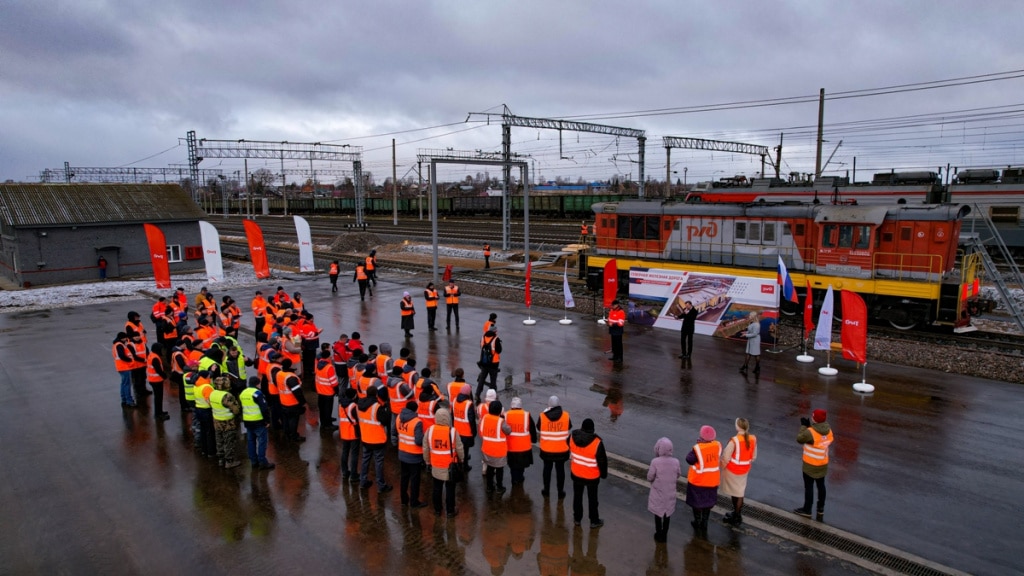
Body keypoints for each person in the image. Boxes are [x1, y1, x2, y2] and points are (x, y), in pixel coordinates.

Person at [424, 403, 464, 518]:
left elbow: (425, 448)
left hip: (435, 466)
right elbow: (459, 448)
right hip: (449, 467)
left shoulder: (430, 430)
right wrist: (461, 459)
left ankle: (437, 510)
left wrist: (427, 461)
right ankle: (450, 511)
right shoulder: (452, 432)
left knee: (437, 489)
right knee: (450, 490)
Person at [795, 409, 834, 521]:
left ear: (815, 419)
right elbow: (821, 439)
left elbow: (800, 438)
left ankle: (807, 510)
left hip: (810, 464)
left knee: (809, 487)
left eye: (813, 416)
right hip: (822, 463)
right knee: (821, 486)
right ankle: (820, 508)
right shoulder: (829, 431)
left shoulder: (810, 432)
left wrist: (803, 427)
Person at [569, 418, 607, 528]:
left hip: (576, 473)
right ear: (592, 429)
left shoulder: (573, 437)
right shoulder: (597, 443)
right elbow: (602, 461)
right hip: (592, 477)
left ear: (582, 427)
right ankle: (594, 520)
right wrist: (603, 474)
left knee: (577, 497)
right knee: (593, 499)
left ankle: (577, 518)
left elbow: (568, 446)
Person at [685, 425, 721, 534]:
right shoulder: (717, 445)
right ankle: (705, 522)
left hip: (698, 482)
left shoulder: (698, 449)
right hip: (712, 481)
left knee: (697, 503)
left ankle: (697, 521)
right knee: (708, 503)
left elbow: (689, 459)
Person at [722, 418, 757, 526]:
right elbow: (754, 456)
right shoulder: (753, 439)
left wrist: (722, 466)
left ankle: (735, 515)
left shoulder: (734, 440)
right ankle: (737, 514)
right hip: (744, 470)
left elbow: (726, 457)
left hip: (733, 470)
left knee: (734, 493)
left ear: (738, 427)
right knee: (740, 492)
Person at [647, 437, 683, 542]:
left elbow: (650, 476)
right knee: (667, 514)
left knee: (658, 514)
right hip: (670, 493)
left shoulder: (655, 462)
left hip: (658, 493)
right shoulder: (676, 462)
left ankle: (658, 533)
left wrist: (653, 482)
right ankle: (665, 533)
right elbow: (678, 474)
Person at [358, 386, 393, 493]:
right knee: (378, 462)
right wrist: (387, 407)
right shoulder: (377, 407)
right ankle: (381, 485)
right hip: (377, 439)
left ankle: (363, 481)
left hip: (365, 437)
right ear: (376, 395)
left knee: (365, 460)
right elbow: (386, 421)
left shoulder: (360, 405)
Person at [538, 395, 572, 499]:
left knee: (547, 470)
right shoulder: (566, 415)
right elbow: (569, 426)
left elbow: (538, 427)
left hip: (547, 450)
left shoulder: (542, 416)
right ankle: (560, 491)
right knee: (560, 471)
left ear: (548, 405)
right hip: (561, 450)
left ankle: (546, 490)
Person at [396, 400, 428, 508]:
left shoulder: (398, 418)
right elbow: (418, 441)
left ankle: (404, 500)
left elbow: (394, 432)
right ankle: (414, 501)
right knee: (415, 480)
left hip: (402, 452)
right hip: (414, 455)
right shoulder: (417, 422)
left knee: (404, 477)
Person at [239, 376, 275, 470]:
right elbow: (264, 408)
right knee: (262, 442)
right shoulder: (257, 393)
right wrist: (267, 421)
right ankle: (263, 461)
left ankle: (253, 461)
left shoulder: (243, 393)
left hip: (248, 421)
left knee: (251, 442)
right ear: (257, 384)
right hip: (258, 421)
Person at [209, 375, 242, 468]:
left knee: (219, 440)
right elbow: (236, 409)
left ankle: (221, 459)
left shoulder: (212, 393)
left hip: (216, 420)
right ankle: (229, 461)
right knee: (229, 441)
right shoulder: (227, 396)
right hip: (228, 422)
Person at [481, 400, 512, 495]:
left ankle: (489, 487)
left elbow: (482, 430)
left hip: (487, 449)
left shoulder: (485, 417)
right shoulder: (501, 421)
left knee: (490, 469)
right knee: (499, 470)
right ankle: (499, 487)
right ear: (499, 411)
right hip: (498, 451)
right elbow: (508, 431)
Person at [506, 397, 537, 485]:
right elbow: (532, 429)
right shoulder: (526, 415)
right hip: (524, 447)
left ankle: (514, 479)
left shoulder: (506, 414)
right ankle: (520, 477)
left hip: (511, 446)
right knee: (521, 465)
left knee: (512, 466)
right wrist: (534, 440)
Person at [451, 382, 477, 472]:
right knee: (465, 451)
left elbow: (452, 415)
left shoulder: (454, 401)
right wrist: (474, 432)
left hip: (457, 430)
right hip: (466, 432)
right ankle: (464, 466)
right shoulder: (468, 404)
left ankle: (458, 463)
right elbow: (471, 420)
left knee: (458, 448)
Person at [338, 388, 361, 483]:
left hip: (344, 432)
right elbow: (357, 418)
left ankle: (344, 472)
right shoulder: (353, 406)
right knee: (354, 454)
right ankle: (354, 474)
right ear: (353, 396)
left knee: (345, 452)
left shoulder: (341, 405)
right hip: (353, 432)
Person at [314, 350, 338, 432]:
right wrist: (336, 390)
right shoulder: (329, 367)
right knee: (328, 409)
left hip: (320, 391)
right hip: (328, 392)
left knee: (322, 409)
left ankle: (323, 423)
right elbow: (333, 381)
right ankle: (328, 425)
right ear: (328, 357)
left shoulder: (319, 364)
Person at [146, 342, 171, 421]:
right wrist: (165, 376)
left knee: (158, 398)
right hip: (156, 380)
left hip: (153, 380)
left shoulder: (152, 355)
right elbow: (158, 370)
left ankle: (159, 412)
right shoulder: (155, 358)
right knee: (158, 398)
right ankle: (158, 414)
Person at [476, 329, 502, 400]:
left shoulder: (483, 337)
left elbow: (481, 346)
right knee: (493, 380)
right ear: (494, 332)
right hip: (493, 363)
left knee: (482, 379)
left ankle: (477, 394)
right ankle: (493, 396)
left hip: (484, 362)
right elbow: (499, 350)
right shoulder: (496, 339)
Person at [112, 332, 136, 407]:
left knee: (123, 383)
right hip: (124, 367)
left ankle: (124, 399)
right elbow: (122, 356)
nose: (126, 339)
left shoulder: (116, 344)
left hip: (120, 367)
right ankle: (129, 400)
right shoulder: (120, 345)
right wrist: (129, 360)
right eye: (125, 338)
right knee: (127, 384)